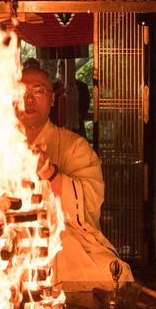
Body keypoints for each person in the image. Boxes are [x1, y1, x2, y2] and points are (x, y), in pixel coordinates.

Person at [18, 66, 134, 285]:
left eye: (37, 91)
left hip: (64, 238)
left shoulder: (74, 146)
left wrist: (50, 174)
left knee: (110, 274)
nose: (29, 99)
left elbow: (90, 200)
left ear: (52, 99)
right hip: (11, 238)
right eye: (22, 92)